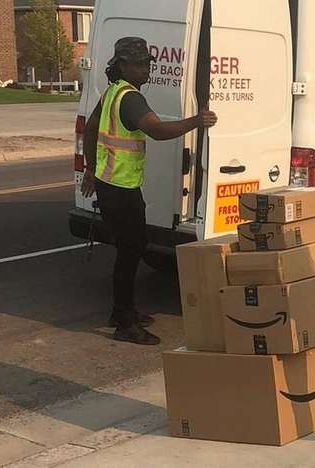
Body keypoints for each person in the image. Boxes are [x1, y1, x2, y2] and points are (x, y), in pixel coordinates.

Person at [80, 37, 218, 345]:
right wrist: (197, 120)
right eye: (140, 64)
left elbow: (90, 129)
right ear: (123, 66)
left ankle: (122, 311)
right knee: (129, 253)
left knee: (134, 247)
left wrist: (91, 167)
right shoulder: (129, 99)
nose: (146, 69)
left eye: (148, 63)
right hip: (119, 189)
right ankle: (125, 323)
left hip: (114, 185)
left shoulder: (113, 93)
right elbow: (157, 131)